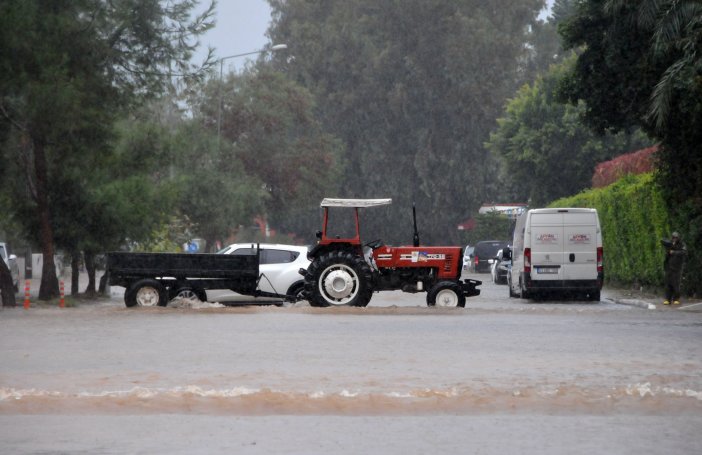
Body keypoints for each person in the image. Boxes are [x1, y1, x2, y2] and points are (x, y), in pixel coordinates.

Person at [662, 231, 687, 305]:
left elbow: (684, 252)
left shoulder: (682, 244)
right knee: (668, 283)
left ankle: (676, 299)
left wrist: (674, 252)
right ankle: (667, 299)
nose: (674, 239)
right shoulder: (670, 244)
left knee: (676, 283)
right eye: (673, 237)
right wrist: (669, 247)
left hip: (677, 267)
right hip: (669, 267)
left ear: (678, 238)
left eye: (676, 238)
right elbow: (664, 244)